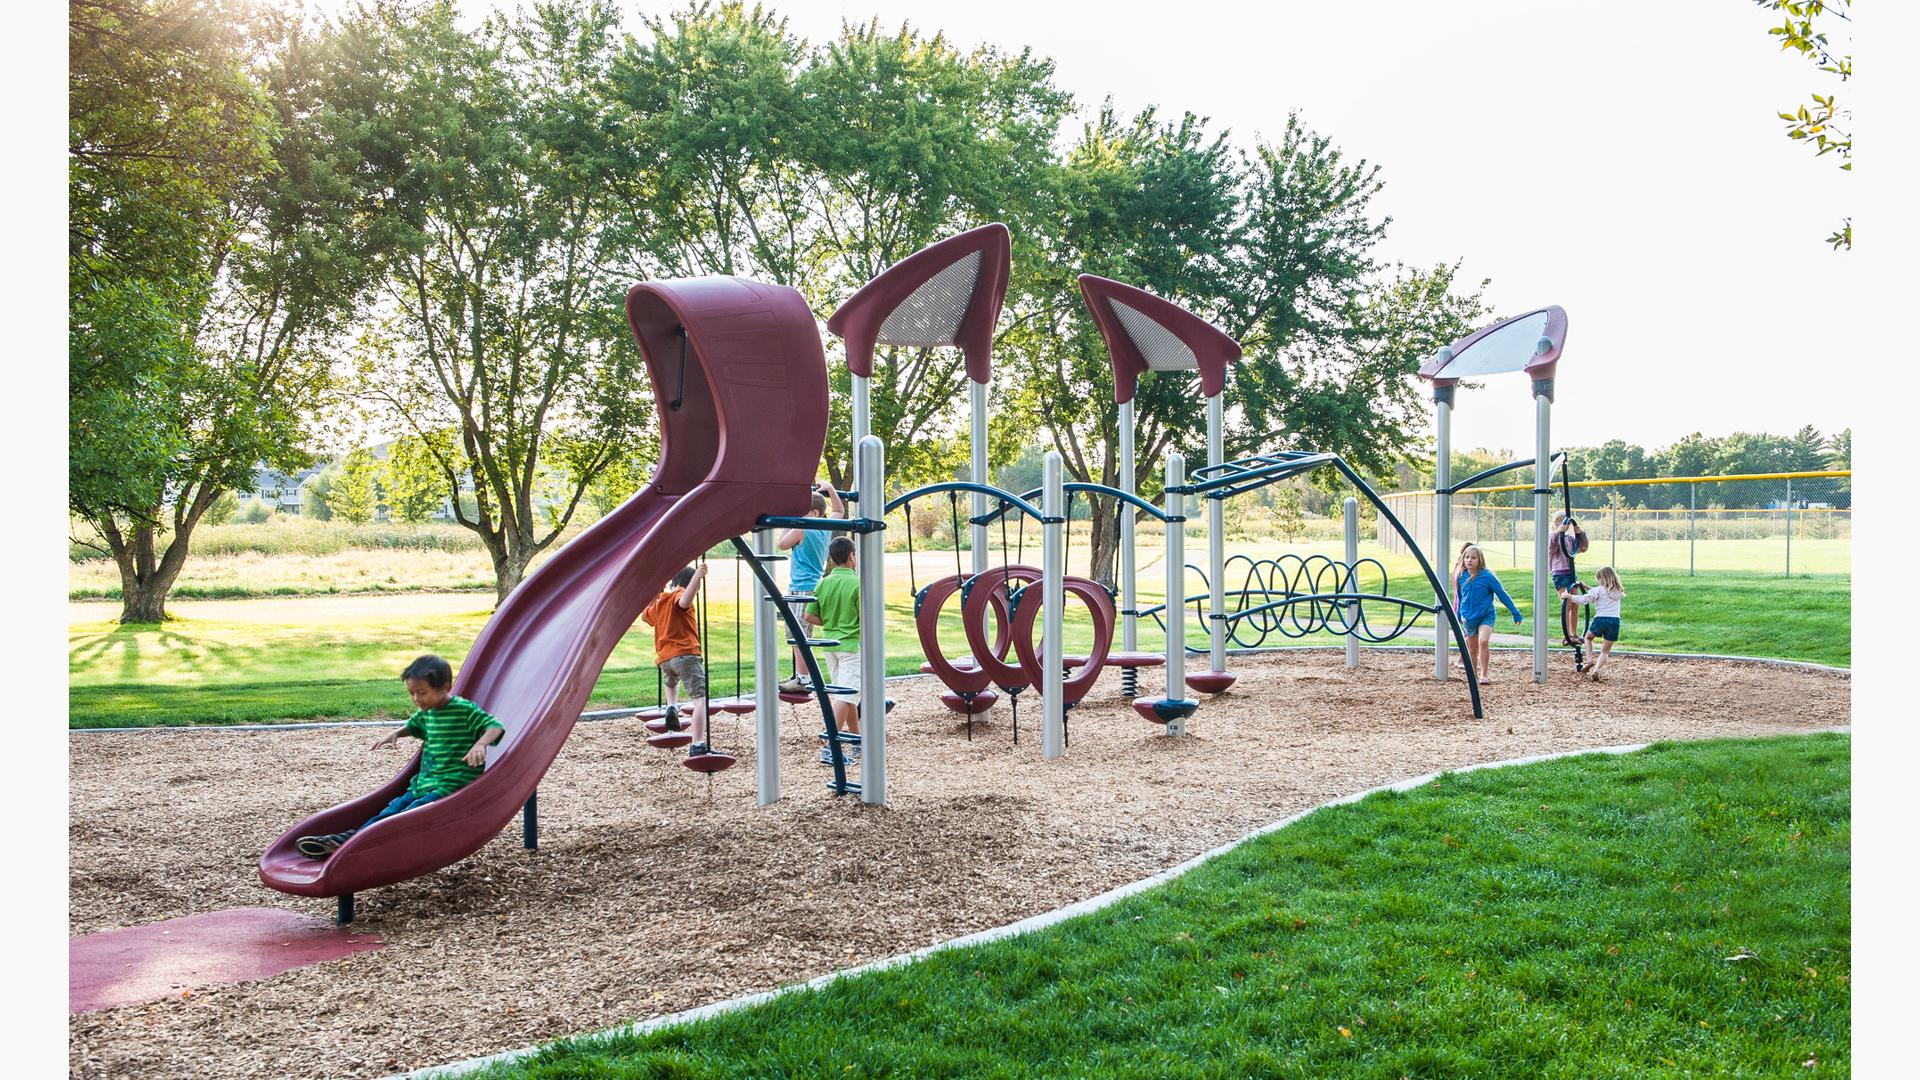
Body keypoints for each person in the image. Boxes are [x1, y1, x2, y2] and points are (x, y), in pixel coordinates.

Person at [296, 655, 504, 858]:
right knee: (393, 809)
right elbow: (412, 726)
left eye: (421, 692)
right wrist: (396, 733)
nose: (416, 699)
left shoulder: (464, 710)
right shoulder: (428, 712)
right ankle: (349, 840)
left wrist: (480, 744)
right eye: (411, 693)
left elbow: (494, 726)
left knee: (409, 815)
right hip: (423, 784)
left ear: (446, 687)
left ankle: (359, 846)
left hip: (451, 785)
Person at [777, 481, 845, 692]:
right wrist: (831, 489)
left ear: (814, 512)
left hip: (801, 587)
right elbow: (839, 510)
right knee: (802, 631)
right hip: (814, 584)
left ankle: (803, 678)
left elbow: (782, 544)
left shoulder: (802, 529)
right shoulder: (825, 528)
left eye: (802, 511)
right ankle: (801, 674)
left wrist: (789, 520)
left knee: (797, 633)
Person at [642, 563, 712, 755]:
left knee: (671, 681)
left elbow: (644, 616)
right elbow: (684, 602)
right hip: (686, 654)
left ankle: (671, 706)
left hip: (665, 659)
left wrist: (655, 591)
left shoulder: (659, 602)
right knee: (700, 699)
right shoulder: (679, 594)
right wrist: (698, 577)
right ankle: (697, 744)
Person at [805, 537, 862, 766]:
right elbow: (865, 616)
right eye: (855, 555)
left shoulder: (823, 582)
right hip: (850, 645)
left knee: (845, 695)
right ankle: (830, 747)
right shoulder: (858, 583)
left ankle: (856, 741)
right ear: (850, 556)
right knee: (845, 695)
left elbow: (808, 615)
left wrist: (831, 624)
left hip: (829, 645)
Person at [1454, 544, 1523, 685]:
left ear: (1480, 560)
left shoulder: (1487, 576)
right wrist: (1458, 613)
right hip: (1468, 616)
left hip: (1486, 614)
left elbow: (1502, 594)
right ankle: (1472, 675)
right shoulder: (1461, 576)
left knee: (1483, 641)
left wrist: (1515, 611)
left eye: (1473, 557)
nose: (1469, 560)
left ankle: (1484, 674)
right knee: (1472, 648)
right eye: (1467, 557)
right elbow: (1460, 597)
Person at [1561, 565, 1625, 680]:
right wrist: (1585, 586)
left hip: (1600, 619)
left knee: (1588, 638)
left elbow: (1585, 599)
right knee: (1605, 651)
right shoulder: (1617, 591)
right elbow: (1602, 592)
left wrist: (1569, 596)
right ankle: (1596, 670)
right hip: (1615, 622)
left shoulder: (1597, 590)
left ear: (1602, 578)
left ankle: (1589, 660)